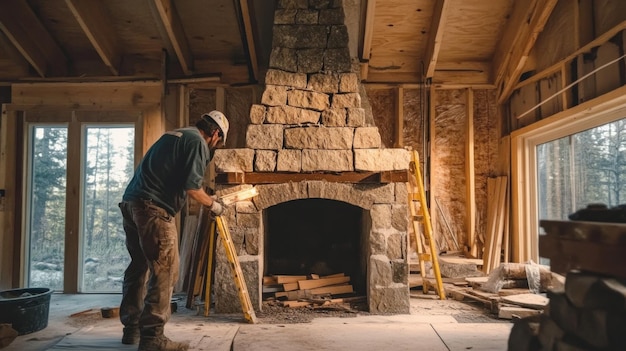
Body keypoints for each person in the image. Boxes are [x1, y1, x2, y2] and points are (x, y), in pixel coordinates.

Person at [118, 111, 229, 351]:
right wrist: (215, 205)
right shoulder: (198, 142)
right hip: (152, 209)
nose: (215, 146)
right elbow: (192, 188)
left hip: (131, 204)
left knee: (138, 266)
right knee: (165, 271)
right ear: (216, 133)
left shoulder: (177, 134)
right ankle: (153, 339)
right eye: (218, 142)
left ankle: (132, 330)